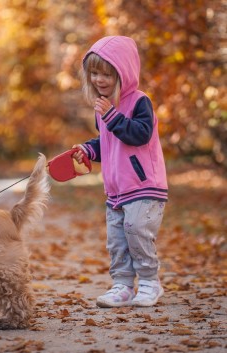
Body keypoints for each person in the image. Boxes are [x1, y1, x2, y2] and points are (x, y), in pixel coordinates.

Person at [71, 36, 168, 307]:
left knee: (136, 230)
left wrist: (112, 116)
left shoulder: (139, 102)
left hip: (143, 185)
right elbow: (109, 142)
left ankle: (149, 282)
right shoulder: (102, 107)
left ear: (123, 72)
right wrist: (90, 150)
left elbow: (139, 134)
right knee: (116, 240)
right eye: (94, 73)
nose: (100, 80)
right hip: (115, 190)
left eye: (107, 74)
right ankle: (122, 286)